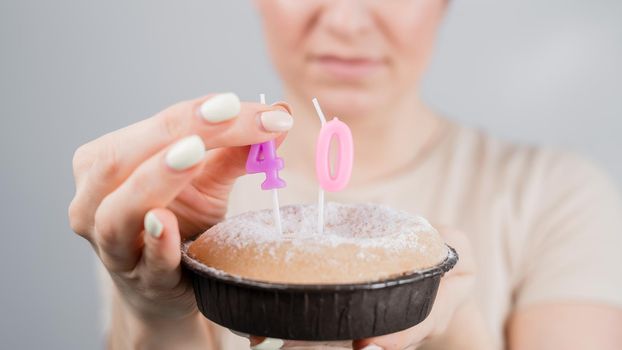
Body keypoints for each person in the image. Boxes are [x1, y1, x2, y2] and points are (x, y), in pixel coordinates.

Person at [68, 1, 622, 349]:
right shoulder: (175, 205)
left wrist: (450, 323)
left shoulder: (558, 197)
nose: (345, 19)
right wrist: (156, 313)